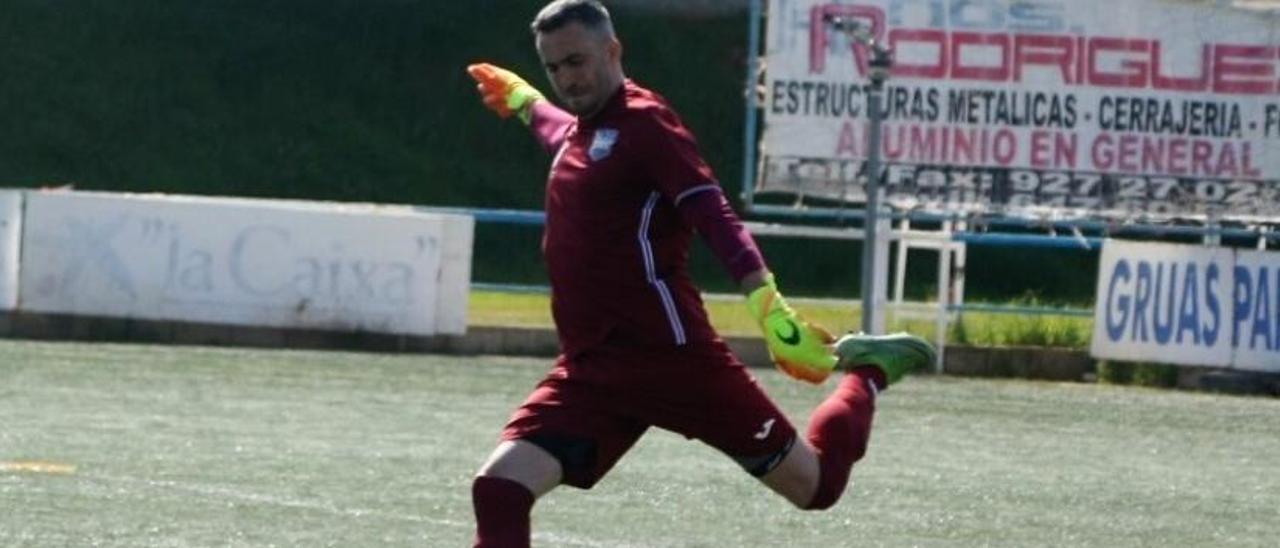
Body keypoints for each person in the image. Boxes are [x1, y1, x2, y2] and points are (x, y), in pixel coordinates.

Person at [464, 1, 936, 546]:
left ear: (613, 50)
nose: (567, 78)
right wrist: (527, 102)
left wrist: (767, 302)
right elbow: (562, 132)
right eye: (554, 68)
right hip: (594, 369)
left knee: (816, 486)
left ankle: (869, 373)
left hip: (673, 359)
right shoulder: (586, 132)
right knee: (500, 488)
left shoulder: (646, 123)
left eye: (577, 61)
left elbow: (712, 212)